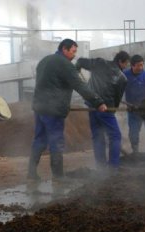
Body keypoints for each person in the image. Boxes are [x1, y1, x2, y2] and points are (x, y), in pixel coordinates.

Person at [27, 38, 107, 181]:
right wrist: (98, 102)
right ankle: (58, 176)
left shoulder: (45, 61)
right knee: (56, 141)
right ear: (64, 49)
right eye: (73, 51)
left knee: (39, 139)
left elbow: (49, 82)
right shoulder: (65, 64)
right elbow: (80, 86)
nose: (74, 55)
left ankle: (31, 174)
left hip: (39, 107)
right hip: (53, 110)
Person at [75, 51, 130, 170]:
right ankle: (113, 167)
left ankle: (101, 167)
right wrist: (111, 112)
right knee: (115, 135)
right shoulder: (122, 78)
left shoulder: (99, 63)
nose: (126, 67)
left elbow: (79, 61)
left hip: (91, 105)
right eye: (126, 64)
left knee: (98, 136)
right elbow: (116, 99)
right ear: (121, 61)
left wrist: (77, 69)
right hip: (106, 108)